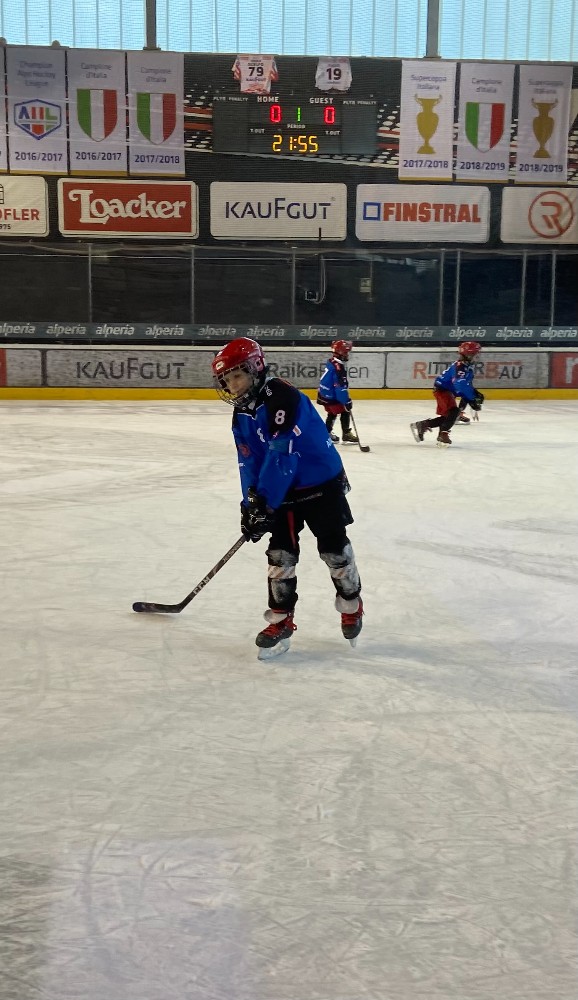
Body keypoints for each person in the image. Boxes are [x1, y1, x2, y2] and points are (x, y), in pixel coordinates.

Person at [212, 337, 363, 659]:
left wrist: (265, 503)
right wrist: (250, 505)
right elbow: (248, 461)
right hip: (282, 487)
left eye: (237, 376)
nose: (232, 385)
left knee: (334, 550)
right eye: (227, 380)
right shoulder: (241, 413)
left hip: (320, 482)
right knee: (280, 555)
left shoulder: (282, 398)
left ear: (255, 368)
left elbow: (283, 455)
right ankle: (280, 620)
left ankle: (351, 603)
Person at [410, 341, 484, 447]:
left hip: (446, 390)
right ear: (468, 354)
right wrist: (471, 398)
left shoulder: (466, 366)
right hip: (443, 390)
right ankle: (442, 434)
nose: (477, 356)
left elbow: (466, 385)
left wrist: (475, 395)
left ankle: (423, 425)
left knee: (449, 416)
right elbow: (460, 384)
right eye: (475, 354)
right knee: (454, 412)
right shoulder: (461, 367)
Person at [316, 339, 359, 444]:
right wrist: (346, 401)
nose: (347, 355)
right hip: (331, 396)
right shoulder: (338, 369)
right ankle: (346, 433)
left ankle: (326, 433)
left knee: (332, 413)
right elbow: (340, 388)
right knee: (345, 410)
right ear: (340, 353)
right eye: (346, 352)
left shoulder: (332, 361)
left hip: (324, 394)